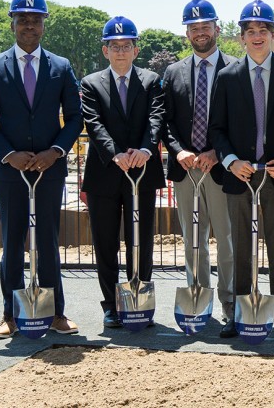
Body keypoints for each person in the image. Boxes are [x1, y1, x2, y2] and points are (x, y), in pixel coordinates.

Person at [0, 0, 83, 338]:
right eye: (23, 20)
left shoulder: (61, 67)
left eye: (36, 20)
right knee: (12, 242)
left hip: (50, 171)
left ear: (43, 26)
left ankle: (55, 313)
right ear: (13, 24)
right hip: (10, 173)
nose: (30, 26)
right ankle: (10, 314)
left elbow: (76, 118)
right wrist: (9, 154)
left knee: (48, 241)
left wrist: (55, 152)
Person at [209, 0, 274, 339]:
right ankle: (239, 312)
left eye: (263, 30)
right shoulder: (228, 76)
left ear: (273, 35)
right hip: (240, 175)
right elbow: (216, 129)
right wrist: (231, 161)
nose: (257, 36)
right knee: (241, 248)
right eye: (251, 31)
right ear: (241, 37)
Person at [80, 16, 166, 329]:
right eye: (114, 46)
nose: (120, 51)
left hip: (141, 173)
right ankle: (110, 306)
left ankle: (140, 300)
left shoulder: (151, 80)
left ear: (135, 50)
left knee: (140, 240)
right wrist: (114, 154)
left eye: (126, 46)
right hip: (105, 173)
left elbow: (156, 117)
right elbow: (94, 123)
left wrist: (145, 150)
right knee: (105, 243)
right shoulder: (91, 83)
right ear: (105, 51)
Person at [161, 0, 237, 325]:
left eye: (205, 26)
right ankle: (199, 302)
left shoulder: (235, 69)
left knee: (228, 241)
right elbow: (164, 121)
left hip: (221, 170)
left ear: (217, 28)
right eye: (194, 27)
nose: (200, 32)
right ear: (187, 33)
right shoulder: (173, 72)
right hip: (185, 169)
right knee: (194, 243)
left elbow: (242, 122)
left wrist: (216, 154)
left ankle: (230, 305)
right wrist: (178, 150)